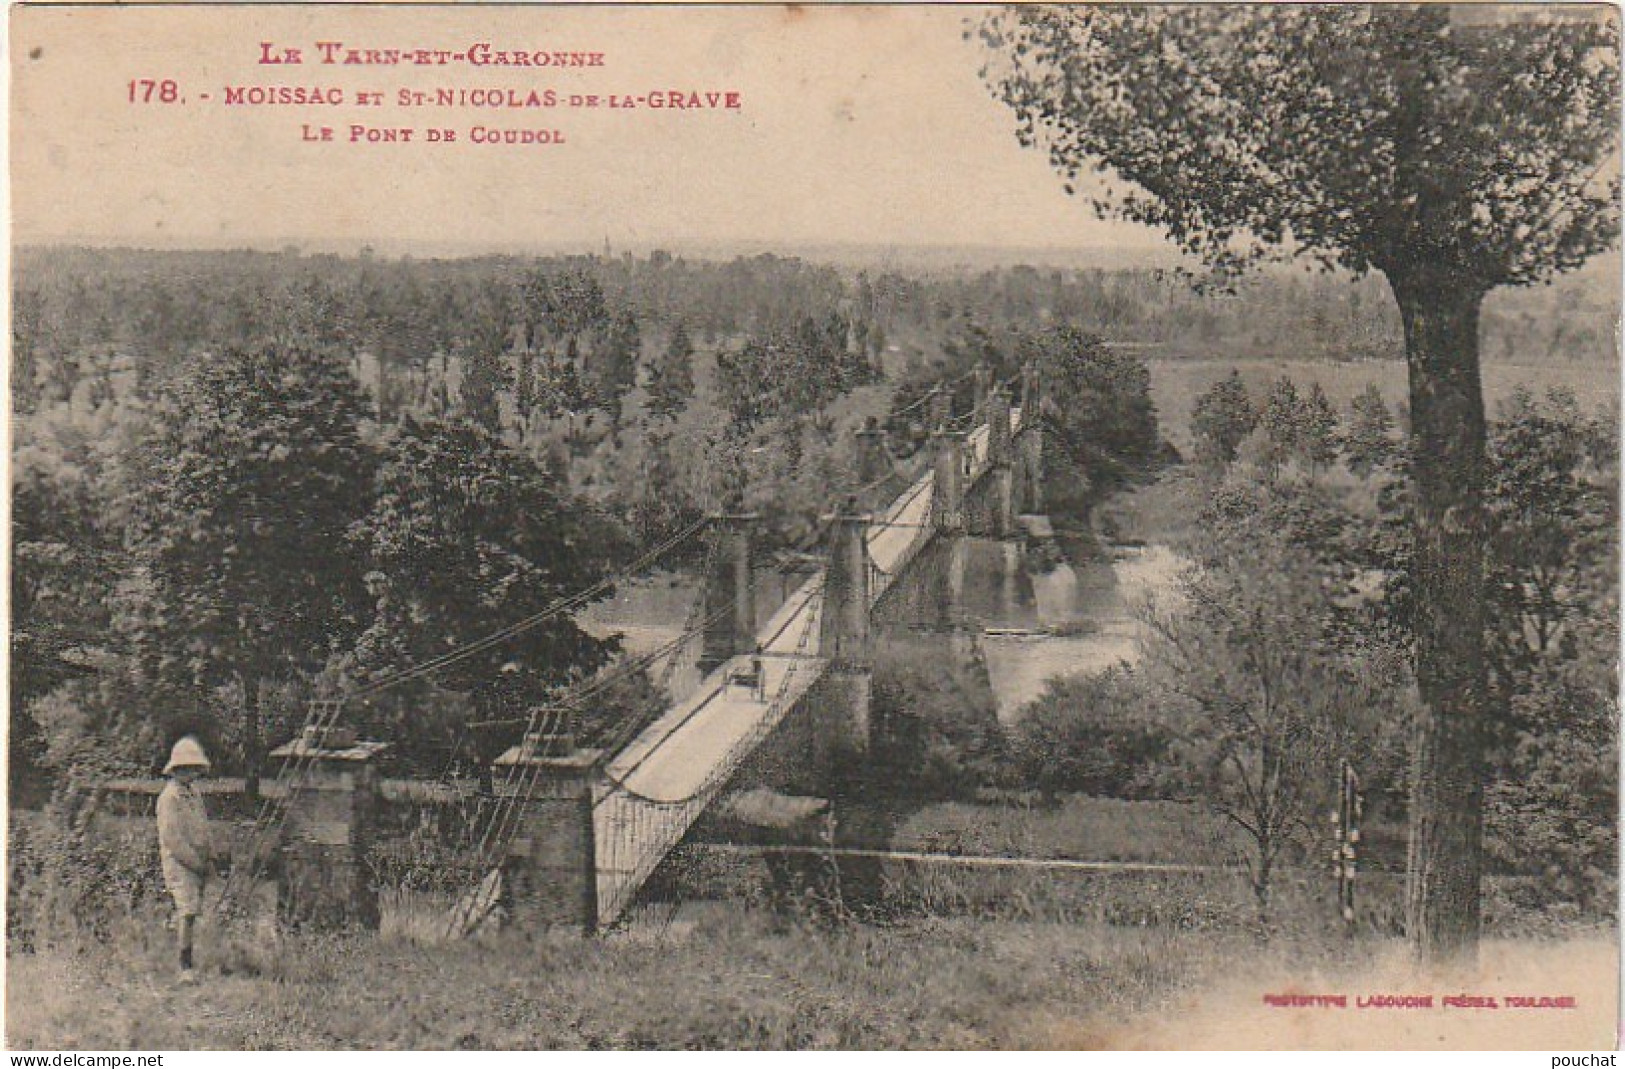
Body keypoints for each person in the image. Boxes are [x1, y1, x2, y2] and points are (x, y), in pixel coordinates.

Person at [157, 735, 214, 984]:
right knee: (187, 911)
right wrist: (193, 861)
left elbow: (202, 826)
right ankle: (185, 967)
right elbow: (171, 837)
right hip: (179, 861)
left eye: (195, 769)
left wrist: (209, 853)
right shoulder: (169, 798)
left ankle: (172, 942)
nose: (193, 774)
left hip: (197, 858)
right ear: (177, 769)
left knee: (192, 908)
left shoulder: (193, 794)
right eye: (188, 769)